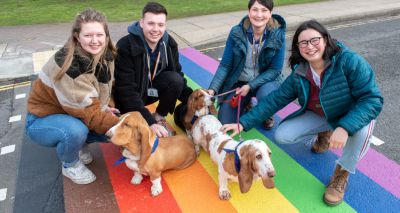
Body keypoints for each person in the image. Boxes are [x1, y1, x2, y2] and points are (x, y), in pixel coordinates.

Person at [221, 20, 383, 206]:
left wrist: (345, 128)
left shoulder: (350, 61)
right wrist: (243, 122)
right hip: (324, 115)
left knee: (360, 135)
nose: (309, 46)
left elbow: (373, 100)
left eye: (314, 40)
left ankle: (342, 173)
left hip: (355, 114)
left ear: (325, 39)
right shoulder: (300, 72)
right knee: (283, 135)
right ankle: (325, 133)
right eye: (303, 43)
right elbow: (276, 99)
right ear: (298, 48)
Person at [25, 8, 120, 184]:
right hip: (42, 119)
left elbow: (104, 89)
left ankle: (78, 145)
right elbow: (89, 113)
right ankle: (70, 164)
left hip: (71, 110)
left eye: (99, 35)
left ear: (106, 35)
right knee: (76, 131)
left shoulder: (107, 55)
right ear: (77, 37)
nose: (95, 41)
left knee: (112, 122)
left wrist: (106, 107)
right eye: (88, 35)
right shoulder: (70, 67)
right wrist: (126, 128)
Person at [113, 2, 193, 137]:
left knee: (175, 79)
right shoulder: (125, 46)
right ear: (142, 23)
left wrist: (193, 99)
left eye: (160, 25)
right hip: (128, 97)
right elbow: (126, 90)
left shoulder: (169, 44)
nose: (156, 29)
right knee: (132, 136)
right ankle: (146, 120)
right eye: (151, 23)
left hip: (151, 92)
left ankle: (159, 117)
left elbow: (178, 75)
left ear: (165, 26)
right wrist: (149, 122)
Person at [207, 0, 286, 129]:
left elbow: (275, 70)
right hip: (240, 82)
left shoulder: (278, 35)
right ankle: (246, 102)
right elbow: (225, 65)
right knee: (225, 122)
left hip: (265, 82)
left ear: (270, 13)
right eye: (255, 10)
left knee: (266, 95)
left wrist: (250, 85)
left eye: (264, 10)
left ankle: (266, 113)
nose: (259, 15)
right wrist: (212, 89)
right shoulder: (236, 32)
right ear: (249, 12)